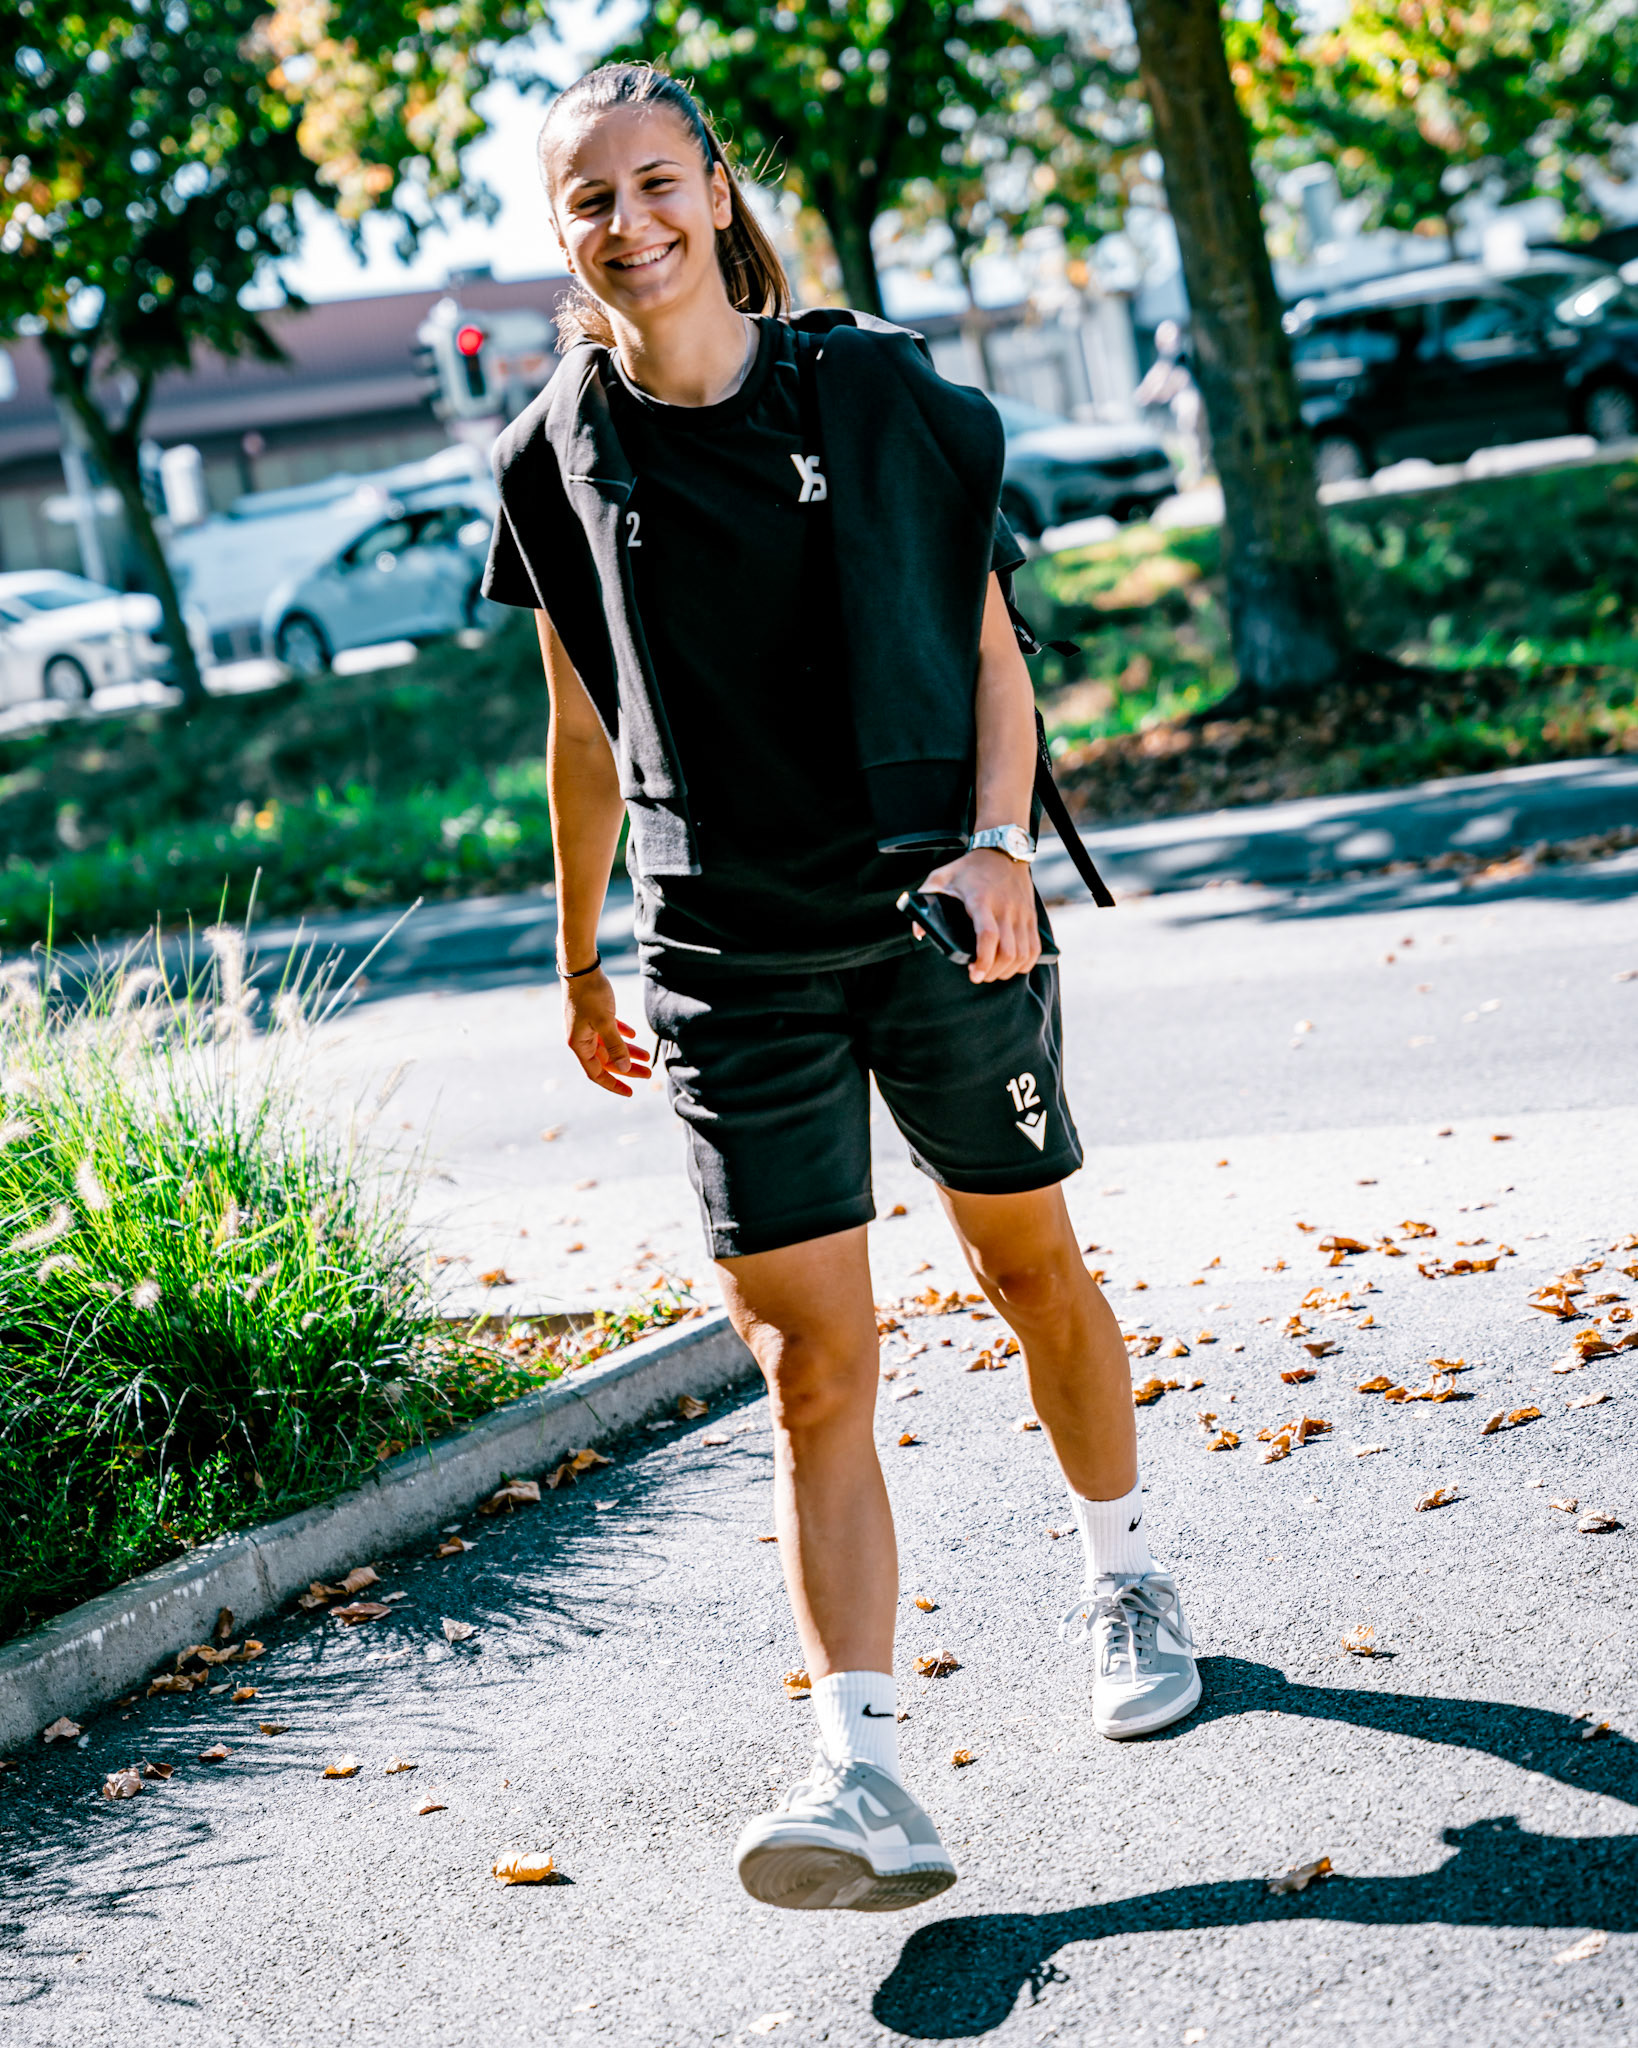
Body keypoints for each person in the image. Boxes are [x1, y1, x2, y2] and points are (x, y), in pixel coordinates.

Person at [481, 61, 1201, 1916]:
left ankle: (1122, 1565)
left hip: (929, 919)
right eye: (589, 200)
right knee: (813, 1367)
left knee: (1027, 1267)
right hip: (720, 953)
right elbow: (577, 721)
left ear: (715, 195)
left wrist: (995, 846)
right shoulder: (553, 448)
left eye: (654, 184)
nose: (626, 223)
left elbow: (987, 647)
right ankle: (862, 1766)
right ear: (560, 233)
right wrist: (576, 953)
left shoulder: (871, 391)